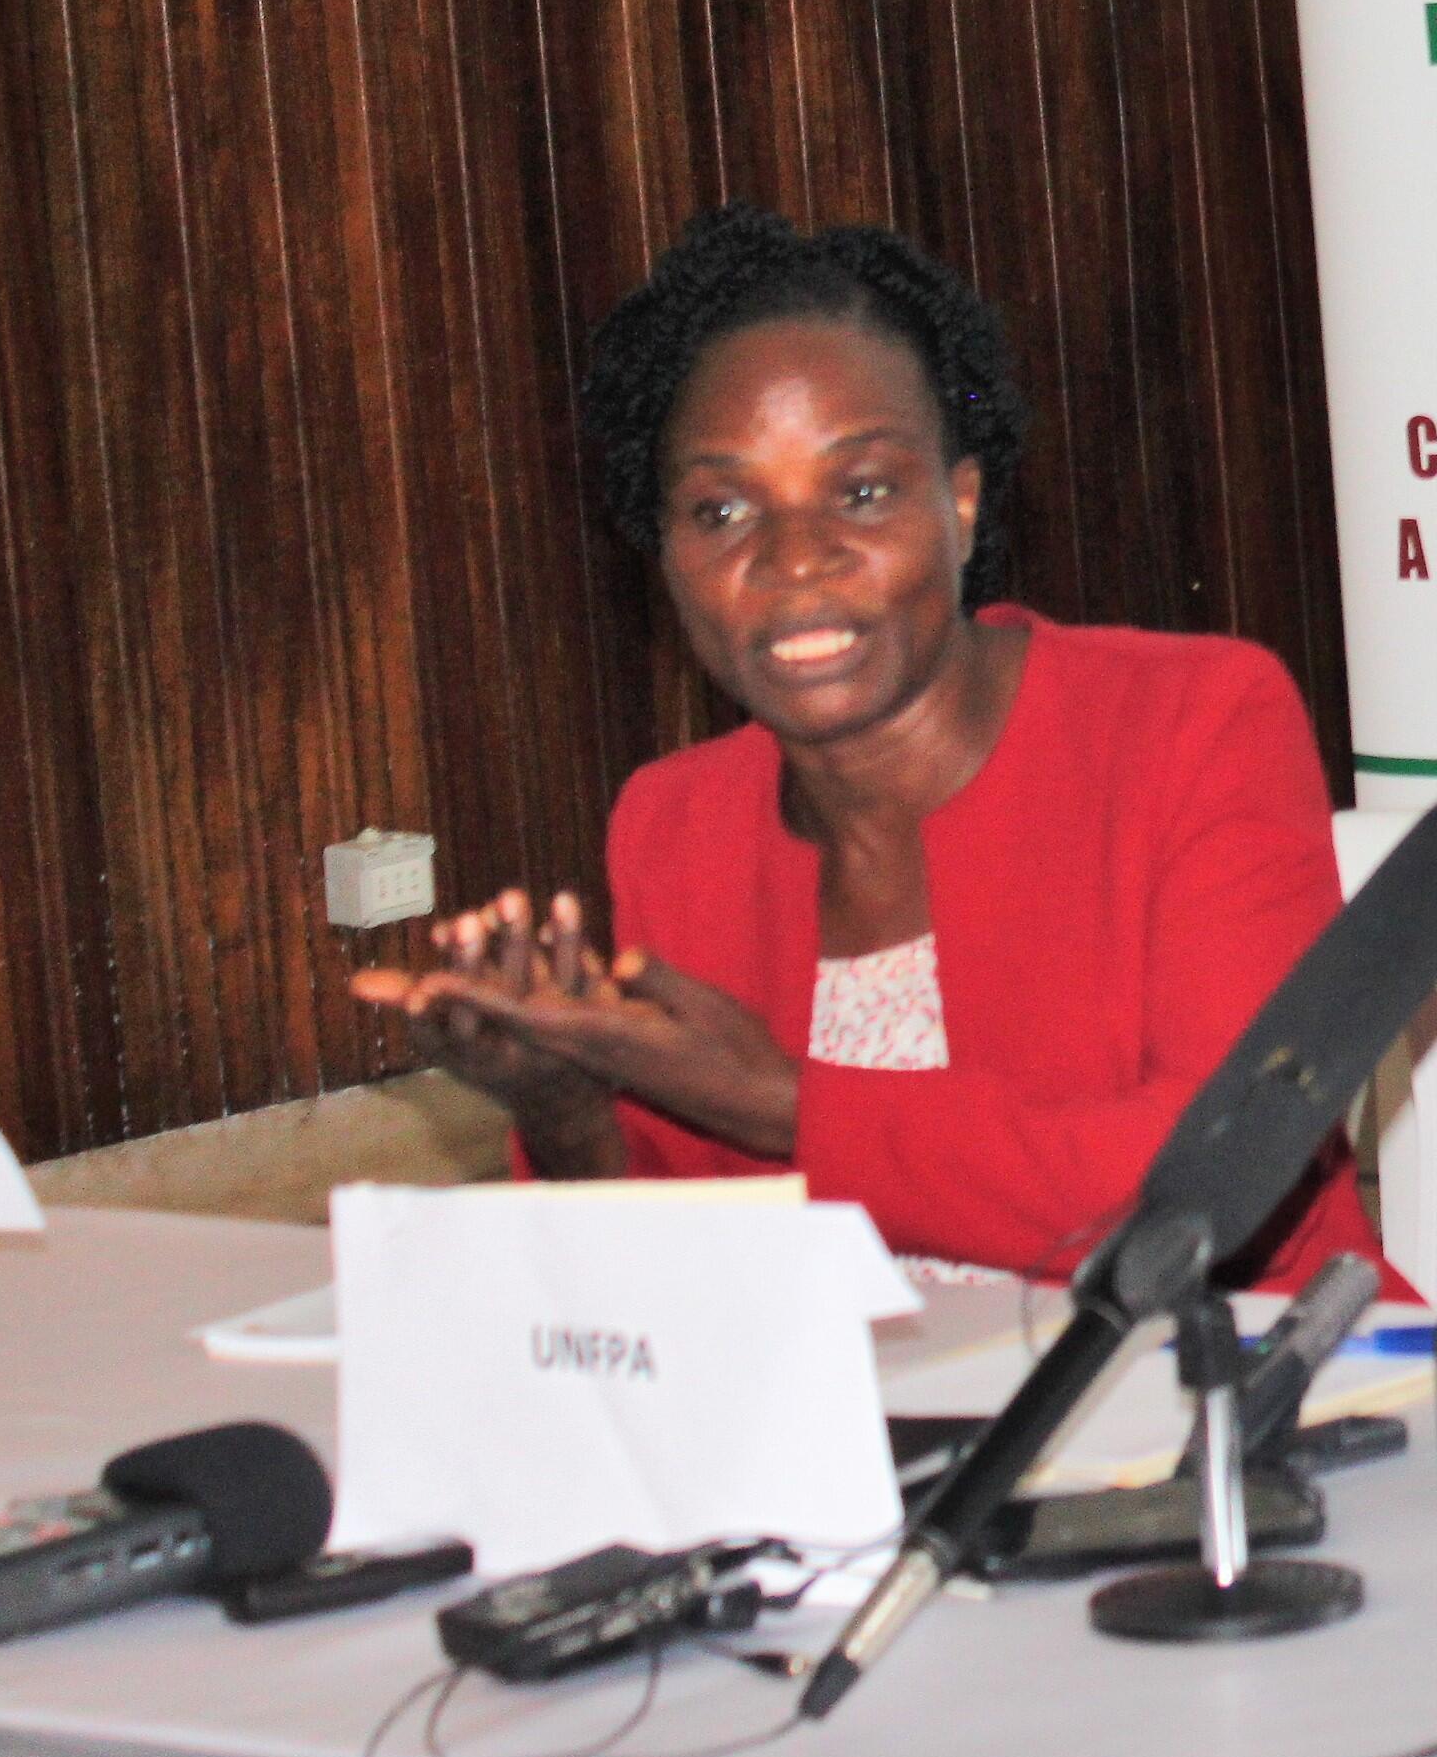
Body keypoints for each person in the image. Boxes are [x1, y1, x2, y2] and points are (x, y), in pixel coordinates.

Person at [358, 206, 1380, 1290]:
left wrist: (785, 1104)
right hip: (861, 1427)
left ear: (962, 503)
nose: (796, 559)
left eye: (862, 491)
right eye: (722, 511)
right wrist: (565, 1098)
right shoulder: (675, 824)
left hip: (1223, 1396)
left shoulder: (1194, 723)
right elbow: (663, 1286)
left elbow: (1215, 1188)